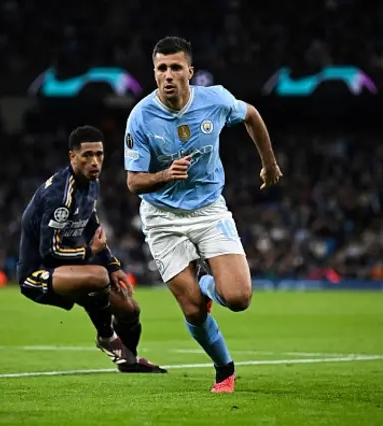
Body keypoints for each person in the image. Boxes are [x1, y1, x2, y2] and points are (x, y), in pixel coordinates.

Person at [124, 36, 283, 391]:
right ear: (154, 73)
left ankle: (209, 285)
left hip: (209, 210)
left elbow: (252, 115)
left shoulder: (216, 100)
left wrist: (269, 164)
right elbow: (133, 183)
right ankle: (224, 369)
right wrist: (165, 175)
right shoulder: (140, 117)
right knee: (193, 308)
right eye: (161, 68)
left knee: (239, 299)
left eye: (175, 67)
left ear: (189, 72)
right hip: (163, 219)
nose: (168, 75)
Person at [17, 125, 166, 373]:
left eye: (99, 154)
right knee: (97, 278)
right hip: (37, 275)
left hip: (68, 270)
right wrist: (89, 253)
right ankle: (106, 337)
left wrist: (112, 264)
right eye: (87, 155)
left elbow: (91, 226)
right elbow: (48, 253)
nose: (95, 161)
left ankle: (127, 361)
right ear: (72, 157)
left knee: (130, 309)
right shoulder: (60, 196)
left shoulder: (91, 183)